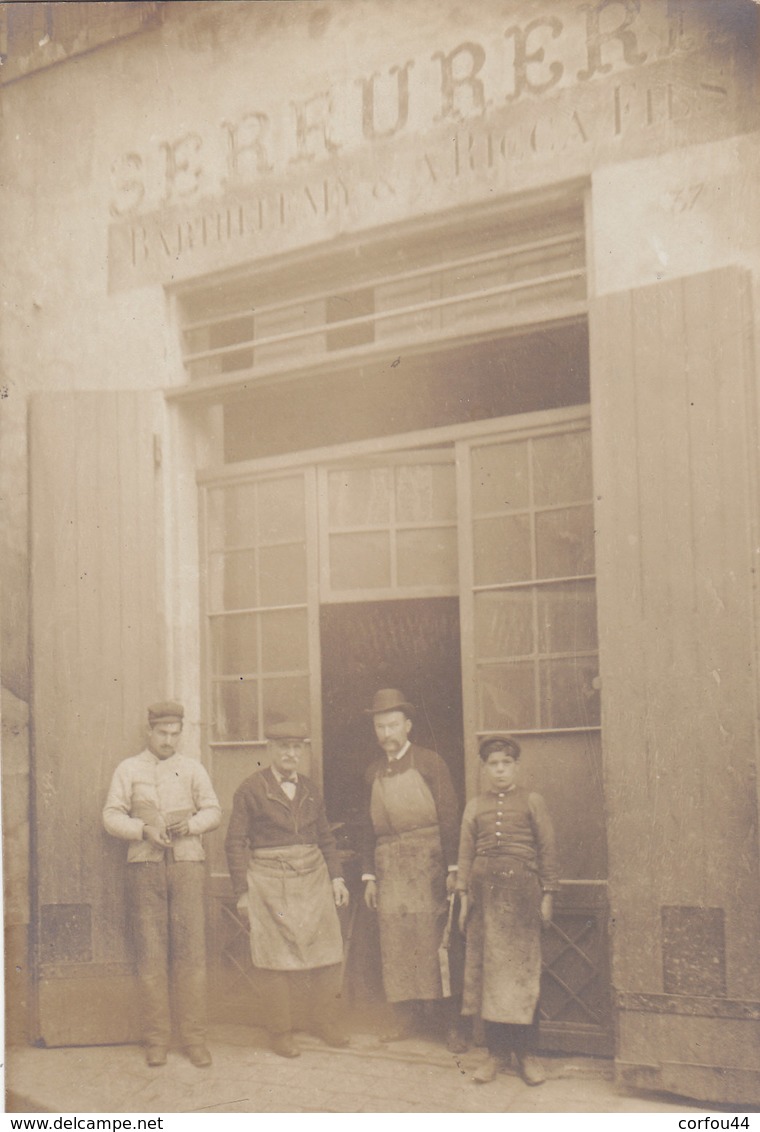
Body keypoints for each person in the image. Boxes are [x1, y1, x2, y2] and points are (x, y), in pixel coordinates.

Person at [102, 700, 221, 1068]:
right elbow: (110, 816)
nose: (169, 740)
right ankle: (156, 1040)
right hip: (145, 868)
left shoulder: (192, 769)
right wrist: (143, 830)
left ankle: (195, 1039)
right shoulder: (129, 769)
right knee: (151, 956)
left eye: (175, 733)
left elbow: (214, 811)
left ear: (180, 732)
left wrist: (192, 825)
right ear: (149, 731)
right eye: (162, 733)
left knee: (191, 954)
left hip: (187, 868)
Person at [224, 720, 350, 1058]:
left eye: (296, 747)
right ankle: (280, 1032)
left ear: (302, 751)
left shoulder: (310, 788)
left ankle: (324, 1021)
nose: (291, 753)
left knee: (329, 952)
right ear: (270, 750)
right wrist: (242, 892)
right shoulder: (250, 789)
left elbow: (325, 836)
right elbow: (235, 843)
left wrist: (336, 877)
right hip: (268, 879)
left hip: (313, 876)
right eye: (283, 747)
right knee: (273, 957)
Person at [360, 688, 464, 1047]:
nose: (386, 734)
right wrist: (369, 875)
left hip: (429, 864)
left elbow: (450, 817)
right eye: (379, 727)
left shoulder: (430, 762)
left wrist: (453, 867)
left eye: (392, 725)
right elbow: (365, 827)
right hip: (389, 868)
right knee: (396, 944)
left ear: (407, 725)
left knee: (437, 942)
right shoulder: (373, 771)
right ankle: (407, 1019)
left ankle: (450, 1024)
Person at [456, 735, 559, 1085]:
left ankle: (528, 1054)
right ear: (485, 768)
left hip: (522, 898)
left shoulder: (532, 801)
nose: (499, 770)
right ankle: (496, 1054)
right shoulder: (475, 806)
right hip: (484, 899)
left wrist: (548, 894)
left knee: (523, 976)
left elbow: (547, 848)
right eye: (493, 764)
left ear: (516, 766)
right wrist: (463, 897)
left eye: (506, 764)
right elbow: (465, 853)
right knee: (491, 976)